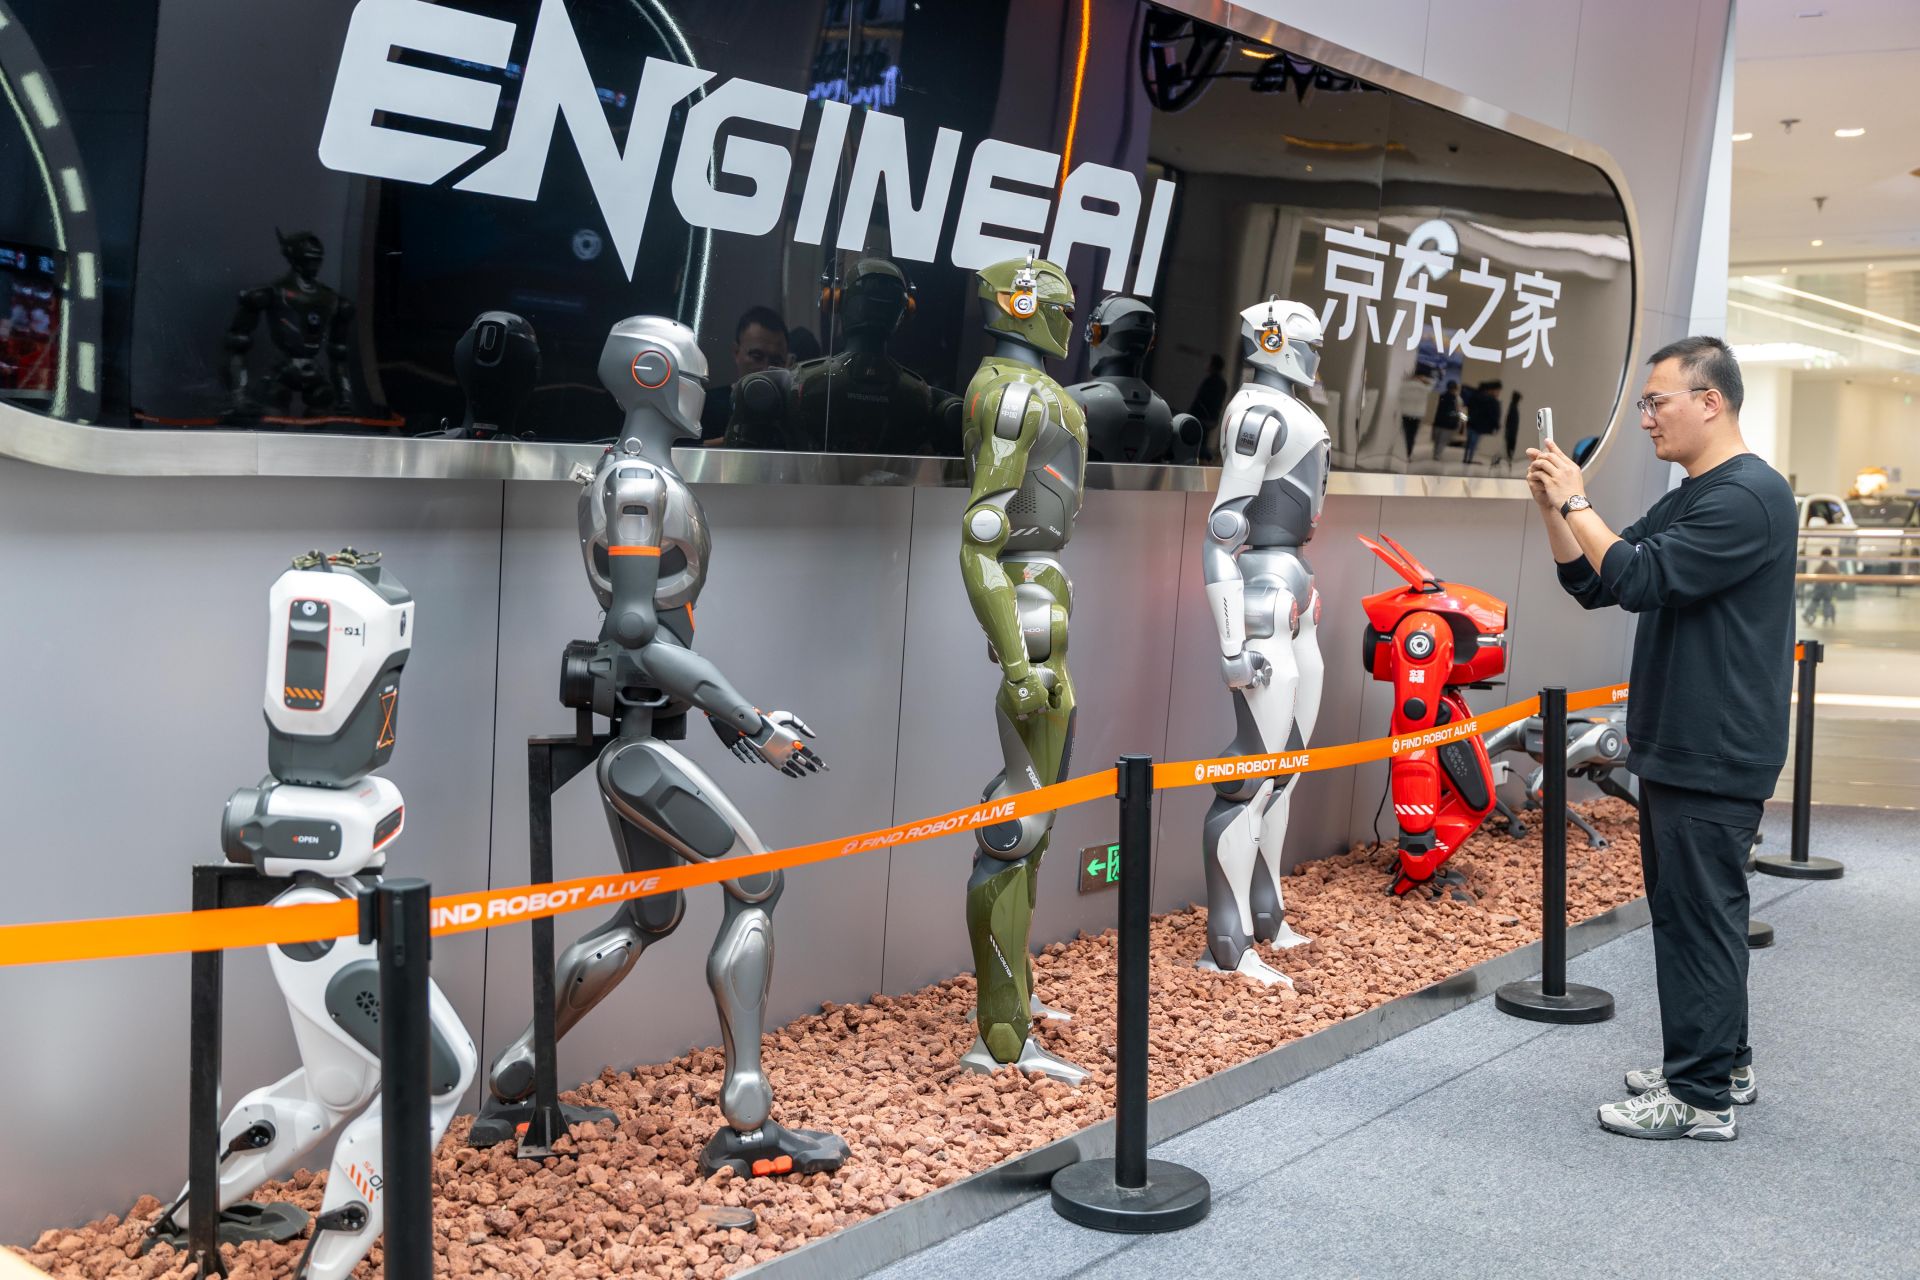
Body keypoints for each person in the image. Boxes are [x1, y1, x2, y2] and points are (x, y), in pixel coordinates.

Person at [1527, 335, 1796, 1142]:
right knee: (1698, 916)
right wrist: (1554, 508)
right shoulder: (1697, 494)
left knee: (1697, 921)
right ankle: (1724, 1065)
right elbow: (1594, 581)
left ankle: (1700, 1098)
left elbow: (1643, 579)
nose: (1645, 417)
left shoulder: (1749, 497)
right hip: (1686, 743)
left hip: (1714, 747)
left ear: (1709, 402)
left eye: (1656, 401)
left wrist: (1578, 502)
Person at [700, 306, 789, 440]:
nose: (766, 369)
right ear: (736, 352)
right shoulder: (705, 408)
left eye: (776, 361)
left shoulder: (792, 413)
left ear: (787, 363)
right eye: (757, 356)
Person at [1460, 379, 1501, 465]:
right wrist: (1496, 426)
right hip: (1479, 426)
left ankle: (1466, 458)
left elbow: (1469, 406)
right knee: (1473, 443)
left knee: (1469, 442)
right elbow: (1492, 415)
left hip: (1471, 423)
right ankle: (1469, 459)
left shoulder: (1475, 396)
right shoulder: (1491, 401)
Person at [1431, 380, 1462, 458]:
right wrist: (1464, 418)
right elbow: (1458, 411)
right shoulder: (1457, 398)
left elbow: (1437, 409)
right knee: (1443, 440)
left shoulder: (1442, 396)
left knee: (1437, 440)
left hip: (1439, 421)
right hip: (1449, 423)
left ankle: (1435, 454)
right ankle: (1437, 455)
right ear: (1455, 388)